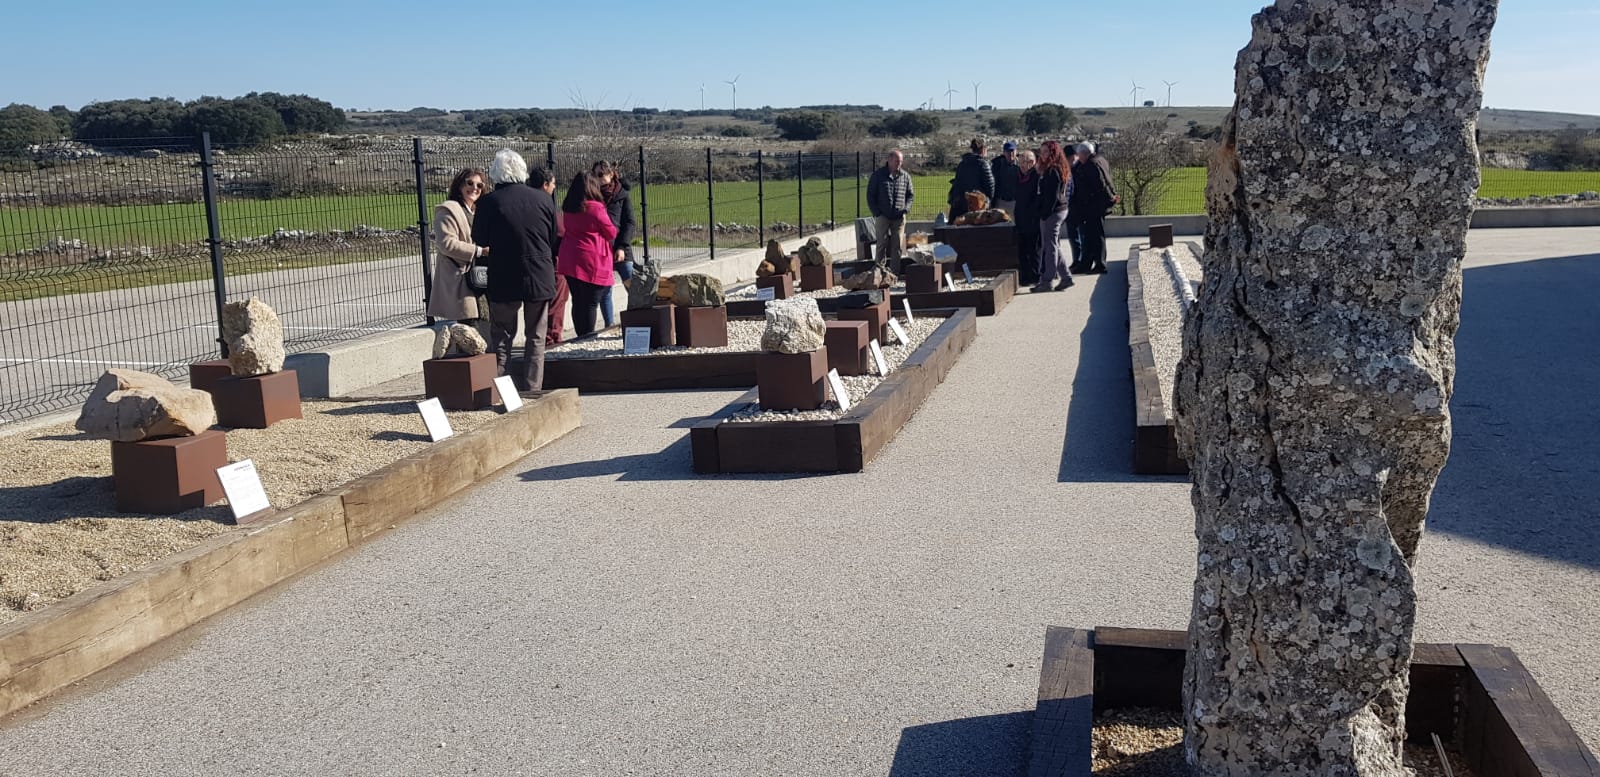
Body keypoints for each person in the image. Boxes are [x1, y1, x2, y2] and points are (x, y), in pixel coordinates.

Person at [473, 149, 560, 393]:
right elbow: (553, 237)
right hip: (539, 274)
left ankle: (501, 389)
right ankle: (533, 389)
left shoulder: (489, 202)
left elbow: (479, 237)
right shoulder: (543, 199)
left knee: (501, 337)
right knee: (536, 337)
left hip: (504, 275)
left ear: (495, 173)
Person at [556, 172, 619, 337]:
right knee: (591, 302)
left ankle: (580, 335)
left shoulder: (569, 207)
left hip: (570, 257)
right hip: (591, 259)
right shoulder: (595, 208)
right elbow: (611, 232)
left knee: (578, 301)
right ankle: (588, 336)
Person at [427, 168, 490, 332]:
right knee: (468, 327)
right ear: (459, 185)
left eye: (479, 185)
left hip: (480, 276)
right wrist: (479, 251)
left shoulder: (480, 211)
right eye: (470, 183)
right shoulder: (449, 210)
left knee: (484, 325)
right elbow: (446, 243)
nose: (474, 188)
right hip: (461, 275)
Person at [593, 160, 637, 328]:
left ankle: (636, 320)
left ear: (611, 174)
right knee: (605, 290)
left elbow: (629, 222)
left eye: (600, 175)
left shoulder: (622, 194)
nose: (597, 179)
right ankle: (609, 325)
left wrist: (621, 246)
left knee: (632, 286)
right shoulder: (593, 195)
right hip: (602, 248)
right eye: (595, 175)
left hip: (621, 247)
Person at [528, 168, 569, 347]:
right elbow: (560, 232)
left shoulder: (525, 204)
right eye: (553, 184)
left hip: (530, 261)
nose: (554, 188)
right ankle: (552, 338)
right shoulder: (547, 207)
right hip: (552, 261)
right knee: (556, 302)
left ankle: (539, 337)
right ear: (545, 185)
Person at [1067, 142, 1119, 274]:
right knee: (1091, 236)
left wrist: (1108, 199)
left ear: (1085, 153)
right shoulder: (1100, 160)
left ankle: (1100, 264)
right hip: (1094, 206)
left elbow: (1099, 185)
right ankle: (1088, 263)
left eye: (1079, 154)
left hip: (1093, 206)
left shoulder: (1091, 165)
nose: (1078, 157)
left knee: (1096, 236)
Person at [1033, 140, 1074, 292]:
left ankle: (1047, 280)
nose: (1042, 155)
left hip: (1053, 212)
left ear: (1052, 153)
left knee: (1049, 247)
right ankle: (1066, 277)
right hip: (1058, 210)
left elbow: (1051, 197)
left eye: (1045, 152)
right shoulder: (1056, 169)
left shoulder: (1052, 171)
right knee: (1053, 245)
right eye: (1041, 152)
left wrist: (1044, 214)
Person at [866, 149, 914, 261]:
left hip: (899, 216)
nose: (899, 164)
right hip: (882, 215)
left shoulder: (905, 176)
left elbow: (910, 195)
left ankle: (894, 273)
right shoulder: (878, 175)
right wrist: (877, 213)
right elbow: (870, 195)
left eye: (901, 161)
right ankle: (879, 271)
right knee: (881, 244)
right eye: (897, 161)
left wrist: (906, 209)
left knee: (897, 245)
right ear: (889, 160)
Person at [1012, 149, 1041, 287]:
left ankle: (1035, 276)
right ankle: (1024, 277)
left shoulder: (1037, 176)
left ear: (1032, 162)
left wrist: (1033, 213)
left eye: (1024, 162)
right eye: (1020, 162)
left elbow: (1038, 198)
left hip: (1032, 218)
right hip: (1020, 217)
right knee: (1022, 249)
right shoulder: (1018, 176)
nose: (1021, 165)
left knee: (1034, 249)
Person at [946, 138, 995, 220]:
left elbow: (957, 182)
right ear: (983, 150)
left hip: (960, 204)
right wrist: (988, 201)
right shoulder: (983, 164)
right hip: (977, 204)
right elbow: (990, 186)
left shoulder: (962, 163)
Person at [990, 141, 1019, 216]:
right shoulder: (997, 165)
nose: (1010, 154)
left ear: (1016, 151)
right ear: (1004, 152)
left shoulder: (1021, 165)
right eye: (1008, 151)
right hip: (1000, 201)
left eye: (1012, 151)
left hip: (1015, 201)